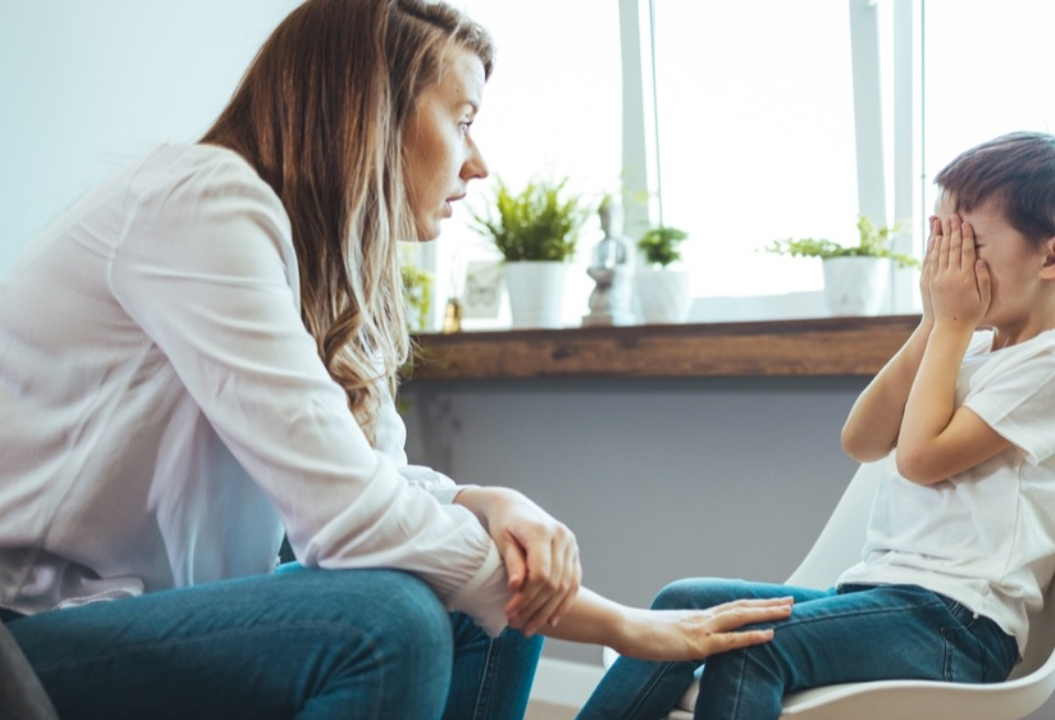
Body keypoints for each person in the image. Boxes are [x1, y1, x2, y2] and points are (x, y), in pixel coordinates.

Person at [0, 2, 792, 718]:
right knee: (394, 622)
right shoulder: (199, 203)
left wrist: (487, 499)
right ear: (370, 112)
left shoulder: (312, 266)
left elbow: (365, 474)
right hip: (26, 635)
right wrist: (614, 622)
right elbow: (350, 519)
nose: (478, 164)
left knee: (484, 585)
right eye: (464, 119)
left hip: (139, 613)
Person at [577, 131, 1055, 719]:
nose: (947, 270)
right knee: (681, 606)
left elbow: (919, 457)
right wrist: (936, 324)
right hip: (878, 597)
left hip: (958, 625)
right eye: (941, 245)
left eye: (969, 247)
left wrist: (954, 327)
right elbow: (861, 440)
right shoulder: (967, 347)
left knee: (750, 650)